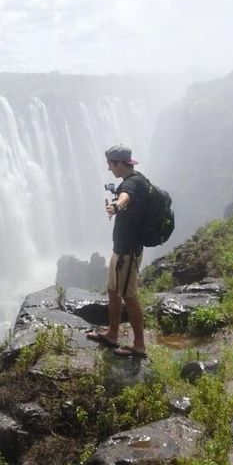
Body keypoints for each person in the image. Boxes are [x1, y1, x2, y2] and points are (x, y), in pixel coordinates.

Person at [87, 144, 148, 358]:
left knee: (130, 297)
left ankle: (139, 344)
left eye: (111, 165)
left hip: (128, 253)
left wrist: (115, 207)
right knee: (113, 292)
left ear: (121, 164)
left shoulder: (133, 184)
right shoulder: (130, 181)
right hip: (120, 250)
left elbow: (125, 198)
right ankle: (112, 334)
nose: (109, 169)